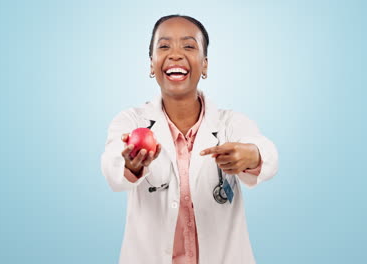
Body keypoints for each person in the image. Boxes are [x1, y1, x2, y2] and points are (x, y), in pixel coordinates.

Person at [101, 14, 278, 264]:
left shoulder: (230, 123)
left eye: (188, 46)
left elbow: (266, 152)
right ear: (151, 64)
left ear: (204, 65)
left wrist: (252, 155)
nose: (175, 54)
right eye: (163, 46)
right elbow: (112, 170)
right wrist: (131, 165)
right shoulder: (131, 121)